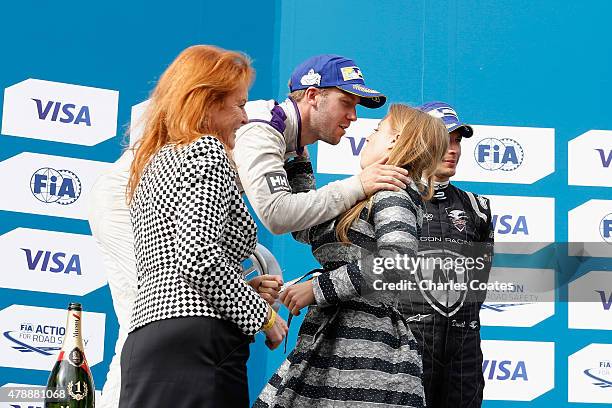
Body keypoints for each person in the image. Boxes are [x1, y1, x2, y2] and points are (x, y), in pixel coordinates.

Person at [117, 45, 288, 408]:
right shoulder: (206, 151)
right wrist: (264, 316)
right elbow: (198, 258)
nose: (245, 119)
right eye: (239, 104)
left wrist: (242, 287)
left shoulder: (153, 163)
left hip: (149, 340)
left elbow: (176, 262)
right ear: (207, 103)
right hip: (198, 346)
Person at [254, 104, 449, 407]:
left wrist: (316, 289)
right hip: (332, 340)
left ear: (395, 141)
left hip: (367, 350)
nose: (368, 138)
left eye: (376, 131)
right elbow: (307, 228)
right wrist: (298, 160)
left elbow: (397, 263)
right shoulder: (368, 194)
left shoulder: (393, 195)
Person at [233, 54, 411, 236]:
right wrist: (358, 185)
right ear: (313, 96)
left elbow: (304, 227)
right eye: (345, 103)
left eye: (355, 106)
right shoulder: (262, 128)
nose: (353, 116)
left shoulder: (293, 141)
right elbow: (277, 215)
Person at [402, 101, 495, 408]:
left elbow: (478, 283)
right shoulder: (395, 199)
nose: (453, 149)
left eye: (457, 140)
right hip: (409, 345)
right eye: (444, 139)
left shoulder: (477, 207)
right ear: (420, 141)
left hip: (463, 350)